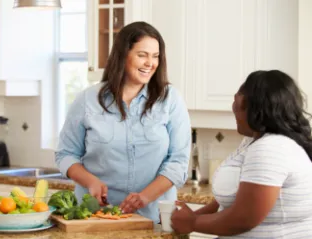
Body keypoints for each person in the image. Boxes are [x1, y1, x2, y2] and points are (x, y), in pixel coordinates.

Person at [55, 21, 191, 223]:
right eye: (142, 55)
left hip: (153, 218)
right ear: (123, 55)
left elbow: (178, 163)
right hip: (94, 218)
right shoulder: (88, 100)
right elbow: (65, 154)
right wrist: (90, 181)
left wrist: (144, 197)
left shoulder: (170, 100)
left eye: (155, 57)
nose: (150, 63)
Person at [171, 70, 312, 238]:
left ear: (255, 108)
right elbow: (234, 200)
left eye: (236, 103)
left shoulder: (271, 148)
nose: (234, 111)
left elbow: (243, 218)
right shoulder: (254, 142)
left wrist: (192, 223)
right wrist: (191, 217)